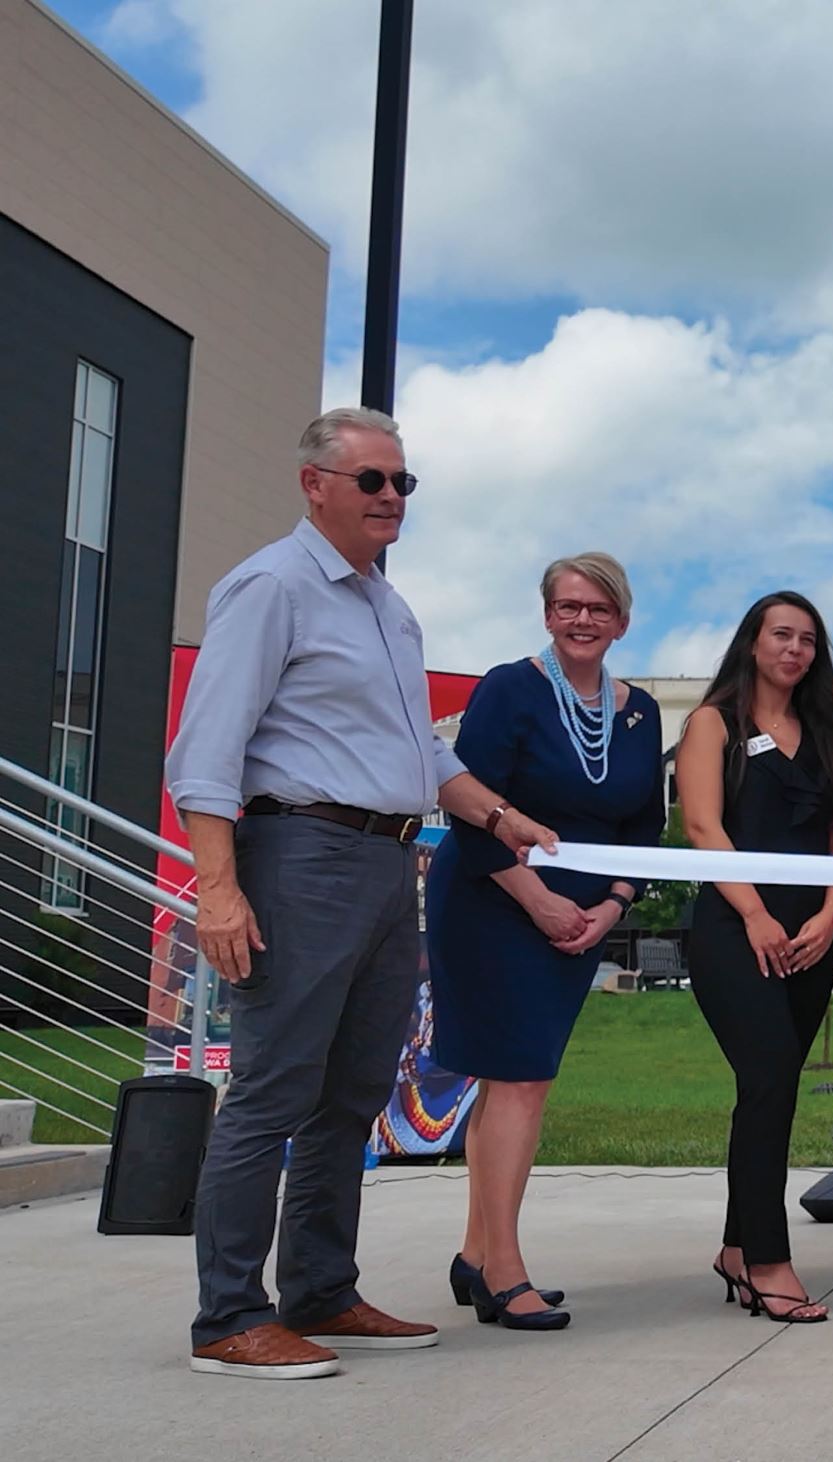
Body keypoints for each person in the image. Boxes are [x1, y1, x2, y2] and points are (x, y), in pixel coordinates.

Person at [166, 407, 558, 1380]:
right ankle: (227, 1314)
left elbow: (419, 749)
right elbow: (205, 757)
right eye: (373, 481)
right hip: (301, 852)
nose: (392, 498)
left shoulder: (388, 607)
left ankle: (320, 1290)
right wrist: (219, 890)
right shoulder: (270, 588)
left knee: (351, 1092)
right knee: (271, 1088)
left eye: (403, 484)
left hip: (389, 861)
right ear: (314, 484)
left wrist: (499, 815)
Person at [428, 554, 665, 1332]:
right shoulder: (509, 687)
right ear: (546, 614)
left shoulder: (641, 710)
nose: (582, 620)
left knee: (517, 1083)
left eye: (598, 608)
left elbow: (642, 826)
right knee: (519, 1079)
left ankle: (474, 1254)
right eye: (567, 606)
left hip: (584, 916)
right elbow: (471, 803)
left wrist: (612, 907)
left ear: (623, 620)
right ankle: (504, 1270)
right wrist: (537, 902)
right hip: (495, 901)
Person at [677, 591, 833, 1323]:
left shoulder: (827, 731)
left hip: (812, 933)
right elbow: (701, 824)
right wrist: (754, 913)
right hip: (735, 929)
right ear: (752, 641)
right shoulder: (711, 723)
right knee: (770, 1078)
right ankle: (768, 1261)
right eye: (781, 635)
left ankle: (733, 1246)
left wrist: (829, 915)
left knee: (772, 1090)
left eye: (808, 639)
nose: (794, 649)